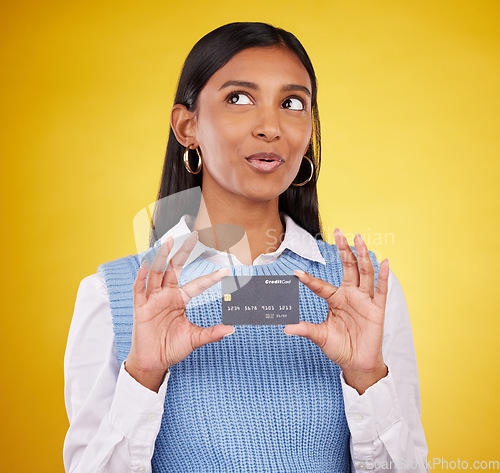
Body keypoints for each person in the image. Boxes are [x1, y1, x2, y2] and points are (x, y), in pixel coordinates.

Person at [63, 22, 428, 472]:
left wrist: (366, 376)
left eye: (292, 103)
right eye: (239, 98)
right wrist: (142, 376)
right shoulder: (114, 295)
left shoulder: (364, 291)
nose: (271, 127)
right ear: (187, 125)